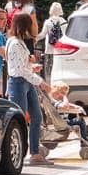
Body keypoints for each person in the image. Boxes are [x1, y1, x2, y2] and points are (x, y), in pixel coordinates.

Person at [6, 10, 51, 165]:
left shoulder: (19, 42)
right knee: (20, 120)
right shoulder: (15, 43)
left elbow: (22, 66)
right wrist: (40, 81)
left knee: (36, 116)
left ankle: (35, 152)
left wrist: (32, 67)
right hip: (19, 83)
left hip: (25, 82)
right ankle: (21, 152)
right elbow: (19, 70)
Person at [38, 1, 67, 80]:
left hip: (50, 50)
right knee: (59, 69)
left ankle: (50, 83)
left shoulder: (48, 22)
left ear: (51, 10)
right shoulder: (64, 22)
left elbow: (42, 35)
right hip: (60, 50)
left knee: (49, 70)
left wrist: (34, 38)